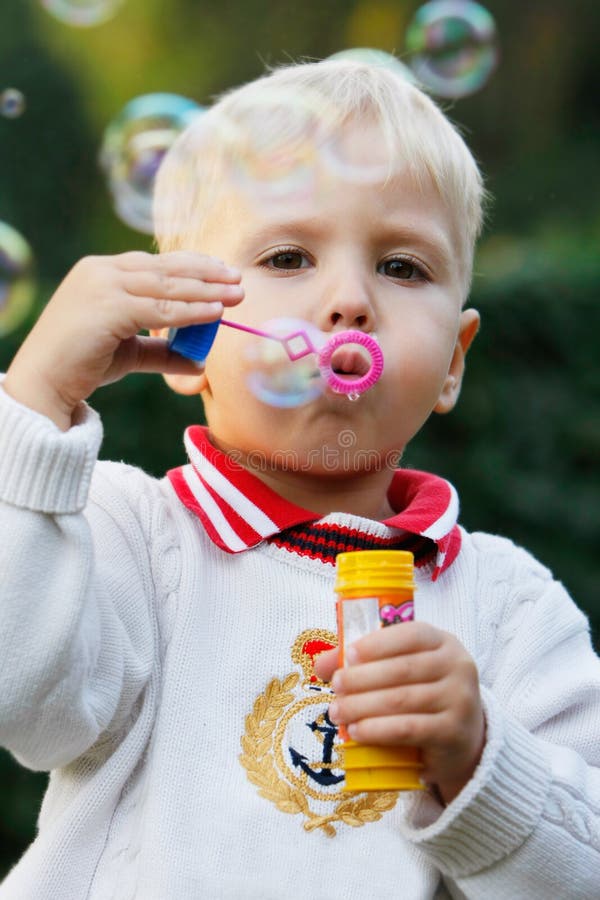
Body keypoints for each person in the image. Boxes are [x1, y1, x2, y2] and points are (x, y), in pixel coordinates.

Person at [0, 59, 598, 900]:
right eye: (288, 257)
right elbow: (19, 699)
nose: (350, 299)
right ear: (183, 334)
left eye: (402, 267)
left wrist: (482, 761)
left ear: (454, 363)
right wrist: (33, 407)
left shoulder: (511, 609)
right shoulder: (125, 535)